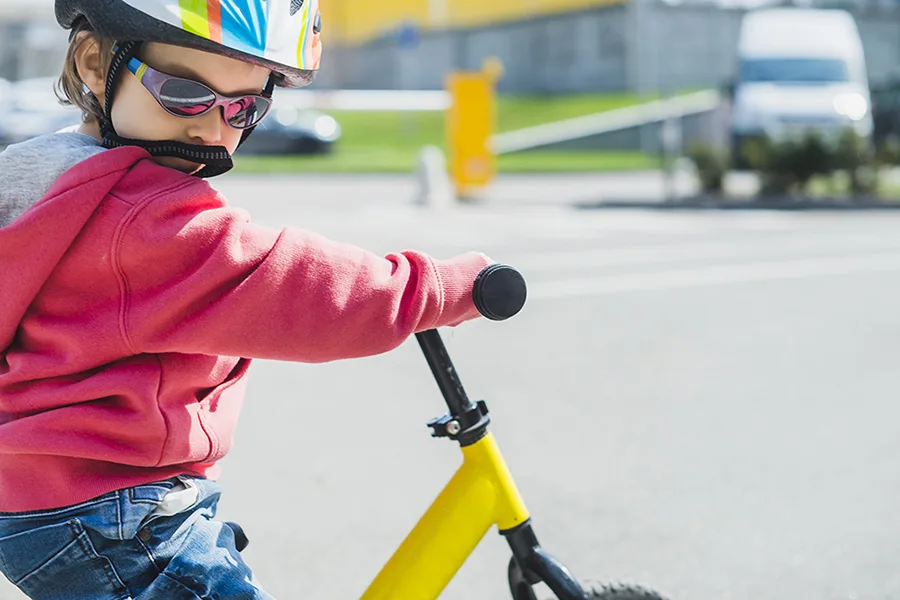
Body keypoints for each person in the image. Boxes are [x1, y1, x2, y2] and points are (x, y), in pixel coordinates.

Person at [0, 1, 493, 598]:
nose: (211, 129)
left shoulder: (36, 175)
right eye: (184, 93)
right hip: (114, 516)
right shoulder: (143, 218)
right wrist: (442, 287)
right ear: (95, 62)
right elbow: (292, 286)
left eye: (244, 108)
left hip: (43, 498)